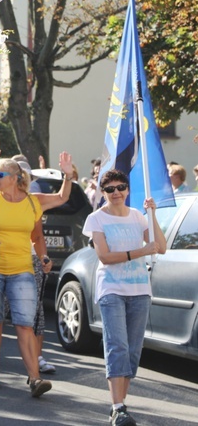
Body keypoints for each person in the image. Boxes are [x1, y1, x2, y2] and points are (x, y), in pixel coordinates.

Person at [0, 147, 74, 396]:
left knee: (25, 324)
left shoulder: (33, 201)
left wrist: (68, 176)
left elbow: (61, 199)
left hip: (22, 268)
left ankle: (34, 378)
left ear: (14, 178)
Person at [82, 169, 166, 426]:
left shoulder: (138, 217)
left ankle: (120, 407)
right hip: (111, 289)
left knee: (132, 352)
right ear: (103, 192)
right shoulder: (96, 219)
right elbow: (105, 257)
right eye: (110, 189)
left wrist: (152, 215)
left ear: (128, 190)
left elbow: (160, 247)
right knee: (117, 346)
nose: (116, 192)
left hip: (140, 290)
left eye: (121, 187)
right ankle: (118, 407)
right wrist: (139, 251)